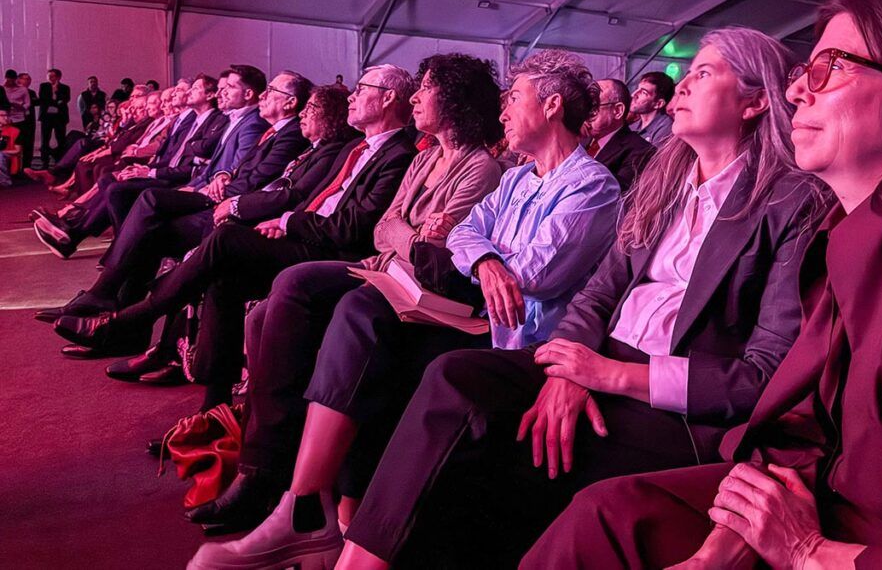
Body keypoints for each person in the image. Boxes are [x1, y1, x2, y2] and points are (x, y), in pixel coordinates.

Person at [523, 0, 882, 570]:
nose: (795, 90)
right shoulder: (847, 233)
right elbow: (806, 428)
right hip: (815, 496)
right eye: (804, 70)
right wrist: (735, 528)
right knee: (607, 514)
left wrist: (807, 552)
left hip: (881, 542)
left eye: (831, 67)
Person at [329, 28, 829, 570]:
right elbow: (596, 296)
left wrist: (608, 376)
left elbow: (764, 373)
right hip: (593, 358)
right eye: (687, 72)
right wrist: (568, 370)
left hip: (672, 404)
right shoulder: (664, 183)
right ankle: (349, 557)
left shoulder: (790, 201)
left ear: (756, 102)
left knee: (495, 452)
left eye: (704, 73)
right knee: (454, 377)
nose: (682, 85)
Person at [185, 49, 623, 570]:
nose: (504, 109)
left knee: (363, 323)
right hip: (480, 315)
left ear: (551, 106)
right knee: (360, 311)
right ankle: (304, 504)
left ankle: (320, 516)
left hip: (514, 339)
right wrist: (485, 259)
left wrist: (477, 253)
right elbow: (463, 235)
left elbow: (536, 272)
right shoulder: (517, 179)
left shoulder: (592, 185)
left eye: (516, 98)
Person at [183, 54, 506, 534]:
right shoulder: (425, 157)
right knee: (264, 311)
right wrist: (410, 236)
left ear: (455, 100)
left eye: (426, 88)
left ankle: (266, 474)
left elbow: (430, 254)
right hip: (386, 272)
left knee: (295, 282)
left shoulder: (480, 169)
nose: (416, 97)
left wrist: (405, 237)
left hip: (419, 291)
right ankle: (264, 460)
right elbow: (385, 229)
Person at [51, 64, 418, 405]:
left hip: (330, 250)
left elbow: (349, 226)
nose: (352, 96)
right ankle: (213, 405)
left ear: (388, 98)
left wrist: (285, 222)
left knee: (219, 237)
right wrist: (276, 216)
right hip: (299, 231)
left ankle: (130, 318)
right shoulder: (356, 147)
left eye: (361, 89)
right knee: (222, 276)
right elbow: (306, 197)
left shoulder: (397, 153)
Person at [105, 84, 358, 383]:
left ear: (333, 115)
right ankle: (151, 335)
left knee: (193, 235)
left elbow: (290, 195)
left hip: (274, 222)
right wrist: (223, 177)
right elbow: (250, 172)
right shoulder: (309, 146)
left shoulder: (324, 146)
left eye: (311, 108)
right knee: (153, 221)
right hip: (245, 206)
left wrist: (242, 206)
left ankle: (135, 318)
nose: (304, 112)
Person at [30, 76, 226, 260]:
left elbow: (189, 158)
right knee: (109, 178)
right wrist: (146, 168)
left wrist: (148, 169)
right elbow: (171, 155)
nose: (178, 94)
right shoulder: (189, 120)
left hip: (179, 178)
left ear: (210, 95)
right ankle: (75, 230)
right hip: (165, 170)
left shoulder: (207, 120)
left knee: (116, 188)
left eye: (188, 89)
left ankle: (110, 245)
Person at [584, 78, 654, 192]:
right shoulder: (580, 140)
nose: (585, 113)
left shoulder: (641, 151)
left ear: (617, 111)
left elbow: (616, 192)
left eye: (593, 107)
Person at [628, 70, 675, 147]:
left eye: (644, 92)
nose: (633, 95)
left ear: (658, 104)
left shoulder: (666, 129)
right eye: (637, 89)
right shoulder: (633, 127)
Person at [38, 68, 71, 167]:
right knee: (45, 139)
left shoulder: (65, 87)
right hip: (46, 117)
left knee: (61, 139)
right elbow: (43, 99)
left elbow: (65, 99)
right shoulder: (43, 86)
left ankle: (60, 160)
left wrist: (56, 92)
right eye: (49, 76)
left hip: (60, 117)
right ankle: (45, 161)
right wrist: (55, 101)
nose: (50, 78)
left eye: (52, 76)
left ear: (58, 77)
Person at [17, 72, 37, 170]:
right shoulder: (14, 92)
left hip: (29, 122)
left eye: (29, 79)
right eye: (25, 79)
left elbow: (37, 102)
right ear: (19, 80)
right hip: (18, 122)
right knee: (17, 145)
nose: (28, 81)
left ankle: (27, 167)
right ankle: (16, 168)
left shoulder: (31, 92)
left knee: (29, 144)